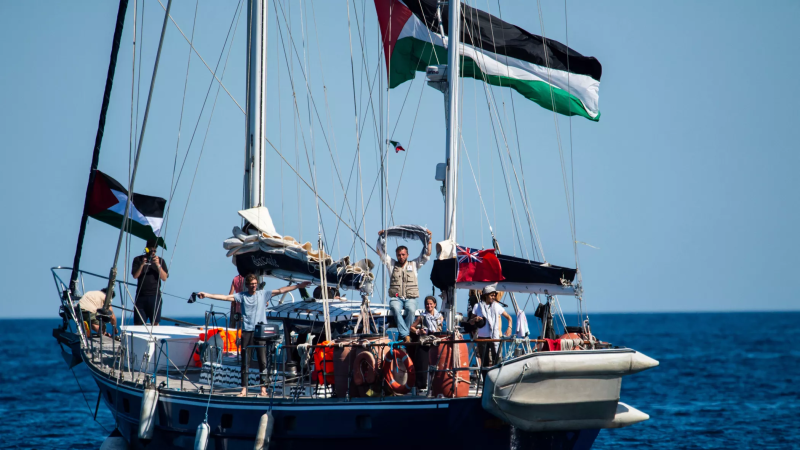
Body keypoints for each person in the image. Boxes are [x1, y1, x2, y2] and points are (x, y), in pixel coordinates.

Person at [198, 275, 311, 396]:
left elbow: (280, 290)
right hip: (247, 332)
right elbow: (225, 297)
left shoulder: (263, 294)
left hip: (260, 332)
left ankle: (263, 389)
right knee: (245, 362)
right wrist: (207, 295)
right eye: (251, 284)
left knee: (263, 361)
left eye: (255, 284)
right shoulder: (242, 296)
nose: (254, 286)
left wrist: (299, 286)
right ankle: (244, 389)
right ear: (247, 285)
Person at [377, 228, 432, 342]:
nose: (401, 257)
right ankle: (406, 335)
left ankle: (404, 335)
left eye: (403, 254)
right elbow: (380, 251)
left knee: (411, 310)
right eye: (399, 255)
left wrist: (429, 239)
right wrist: (380, 238)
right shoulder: (391, 264)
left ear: (407, 255)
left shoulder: (414, 264)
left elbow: (427, 254)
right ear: (396, 255)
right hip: (396, 298)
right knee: (395, 308)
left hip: (410, 298)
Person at [468, 284, 512, 367]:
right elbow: (471, 322)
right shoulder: (477, 306)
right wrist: (475, 319)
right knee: (484, 363)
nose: (493, 297)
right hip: (482, 338)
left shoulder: (497, 306)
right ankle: (485, 375)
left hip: (494, 337)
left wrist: (509, 327)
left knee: (497, 361)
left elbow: (509, 317)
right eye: (491, 295)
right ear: (486, 295)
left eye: (494, 295)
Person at [131, 240, 169, 325]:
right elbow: (135, 276)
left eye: (154, 250)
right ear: (146, 249)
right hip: (141, 296)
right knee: (138, 323)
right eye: (151, 250)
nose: (153, 252)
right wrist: (142, 264)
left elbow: (164, 278)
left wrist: (158, 265)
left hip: (155, 296)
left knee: (155, 323)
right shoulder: (138, 259)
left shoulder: (160, 261)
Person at [409, 295, 442, 391]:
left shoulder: (439, 317)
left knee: (436, 365)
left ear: (435, 304)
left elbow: (440, 328)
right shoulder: (421, 317)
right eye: (427, 304)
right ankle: (421, 386)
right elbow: (412, 327)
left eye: (431, 304)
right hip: (424, 342)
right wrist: (418, 331)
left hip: (435, 342)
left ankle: (435, 384)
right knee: (422, 365)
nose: (429, 306)